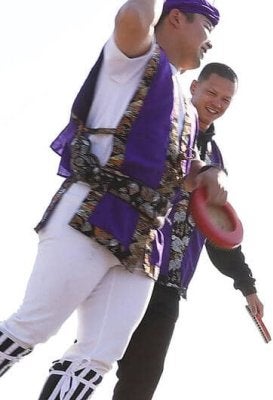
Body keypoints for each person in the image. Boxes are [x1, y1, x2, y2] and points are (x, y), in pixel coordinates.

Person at [0, 0, 225, 398]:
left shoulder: (187, 110)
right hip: (92, 213)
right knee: (30, 327)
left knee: (97, 358)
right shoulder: (134, 60)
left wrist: (209, 173)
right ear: (176, 18)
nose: (211, 42)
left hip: (144, 240)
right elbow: (133, 17)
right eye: (207, 27)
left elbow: (180, 174)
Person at [113, 62, 264, 400]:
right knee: (94, 355)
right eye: (212, 92)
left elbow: (216, 230)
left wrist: (247, 285)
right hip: (129, 265)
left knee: (142, 380)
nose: (217, 103)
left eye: (226, 99)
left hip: (169, 285)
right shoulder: (165, 123)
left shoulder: (215, 159)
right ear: (194, 87)